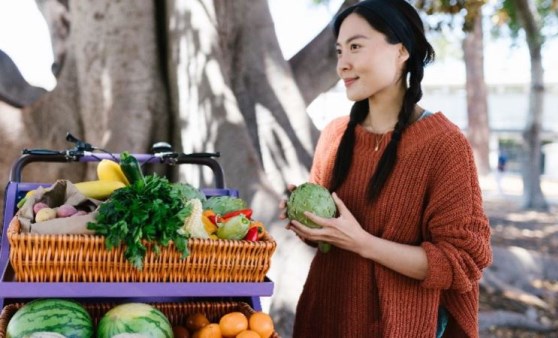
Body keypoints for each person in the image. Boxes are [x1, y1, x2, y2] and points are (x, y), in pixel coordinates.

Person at [279, 1, 493, 337]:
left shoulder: (443, 145)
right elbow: (328, 242)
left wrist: (363, 242)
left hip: (399, 327)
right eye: (338, 52)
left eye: (356, 47)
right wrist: (310, 227)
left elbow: (462, 261)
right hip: (326, 319)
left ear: (402, 51)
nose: (342, 64)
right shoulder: (334, 135)